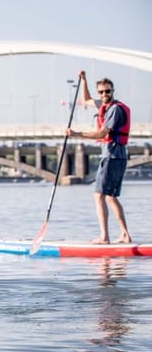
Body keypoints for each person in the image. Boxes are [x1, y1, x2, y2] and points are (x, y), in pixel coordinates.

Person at [65, 70, 132, 244]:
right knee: (110, 196)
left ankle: (104, 237)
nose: (104, 95)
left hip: (112, 155)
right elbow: (86, 99)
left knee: (99, 195)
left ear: (113, 91)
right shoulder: (105, 106)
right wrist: (84, 80)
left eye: (107, 91)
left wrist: (76, 134)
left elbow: (102, 132)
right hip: (117, 155)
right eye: (101, 92)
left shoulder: (115, 110)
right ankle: (125, 234)